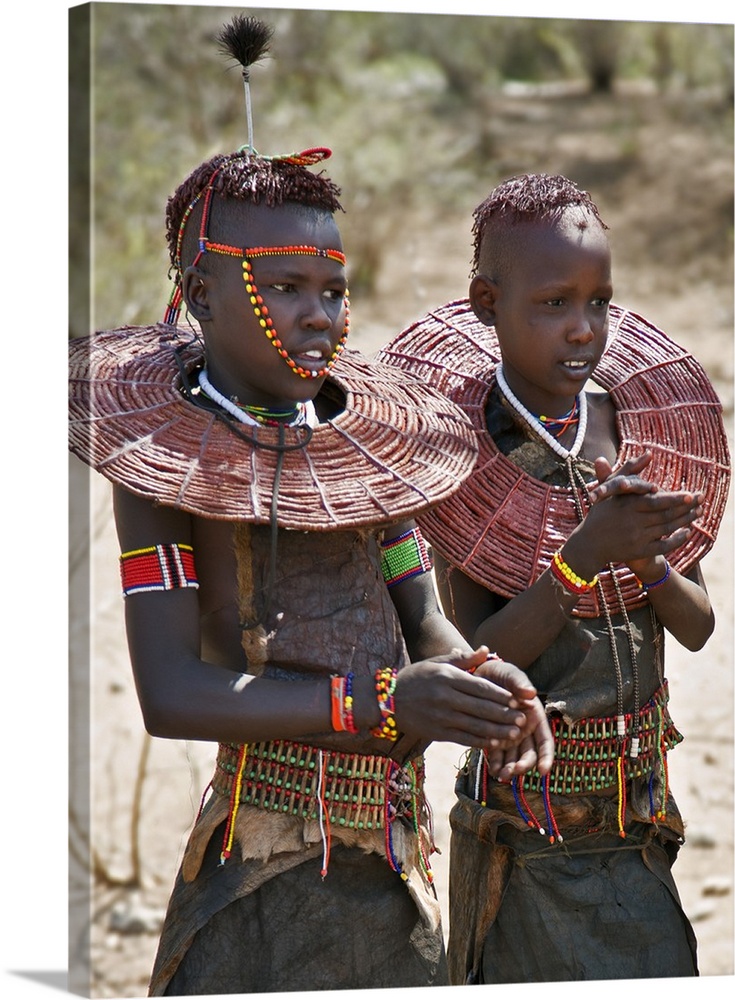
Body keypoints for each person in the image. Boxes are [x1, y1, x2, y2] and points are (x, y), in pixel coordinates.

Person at [68, 17, 553, 996]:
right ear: (201, 295)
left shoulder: (372, 455)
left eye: (335, 290)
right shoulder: (163, 465)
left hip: (391, 863)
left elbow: (421, 618)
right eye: (284, 286)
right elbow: (170, 691)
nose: (321, 314)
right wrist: (380, 702)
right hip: (260, 871)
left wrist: (480, 683)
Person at [377, 171, 730, 984]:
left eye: (598, 302)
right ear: (484, 302)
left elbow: (698, 623)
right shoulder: (462, 451)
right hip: (524, 830)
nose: (582, 330)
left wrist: (644, 558)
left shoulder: (640, 423)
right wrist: (582, 556)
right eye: (552, 305)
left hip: (634, 819)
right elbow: (476, 656)